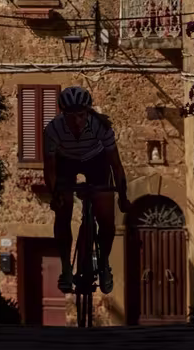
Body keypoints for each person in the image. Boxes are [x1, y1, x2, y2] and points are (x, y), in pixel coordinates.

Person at [43, 86, 130, 295]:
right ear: (63, 115)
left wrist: (122, 196)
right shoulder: (53, 130)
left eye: (81, 115)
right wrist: (55, 195)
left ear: (88, 113)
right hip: (66, 162)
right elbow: (51, 168)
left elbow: (116, 165)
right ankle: (65, 268)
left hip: (96, 161)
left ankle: (104, 263)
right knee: (63, 213)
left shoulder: (101, 127)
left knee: (107, 220)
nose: (76, 121)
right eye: (70, 116)